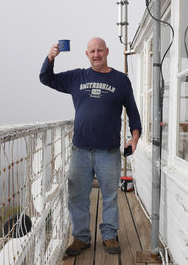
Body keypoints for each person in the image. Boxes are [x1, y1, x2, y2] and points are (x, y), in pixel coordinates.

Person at [39, 37, 142, 256]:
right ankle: (81, 238)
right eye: (92, 51)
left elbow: (133, 111)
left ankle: (109, 236)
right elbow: (45, 78)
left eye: (100, 51)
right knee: (77, 196)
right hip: (81, 151)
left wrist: (134, 137)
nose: (96, 54)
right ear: (87, 54)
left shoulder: (121, 80)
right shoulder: (77, 76)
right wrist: (51, 57)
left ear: (107, 52)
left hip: (109, 151)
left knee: (110, 196)